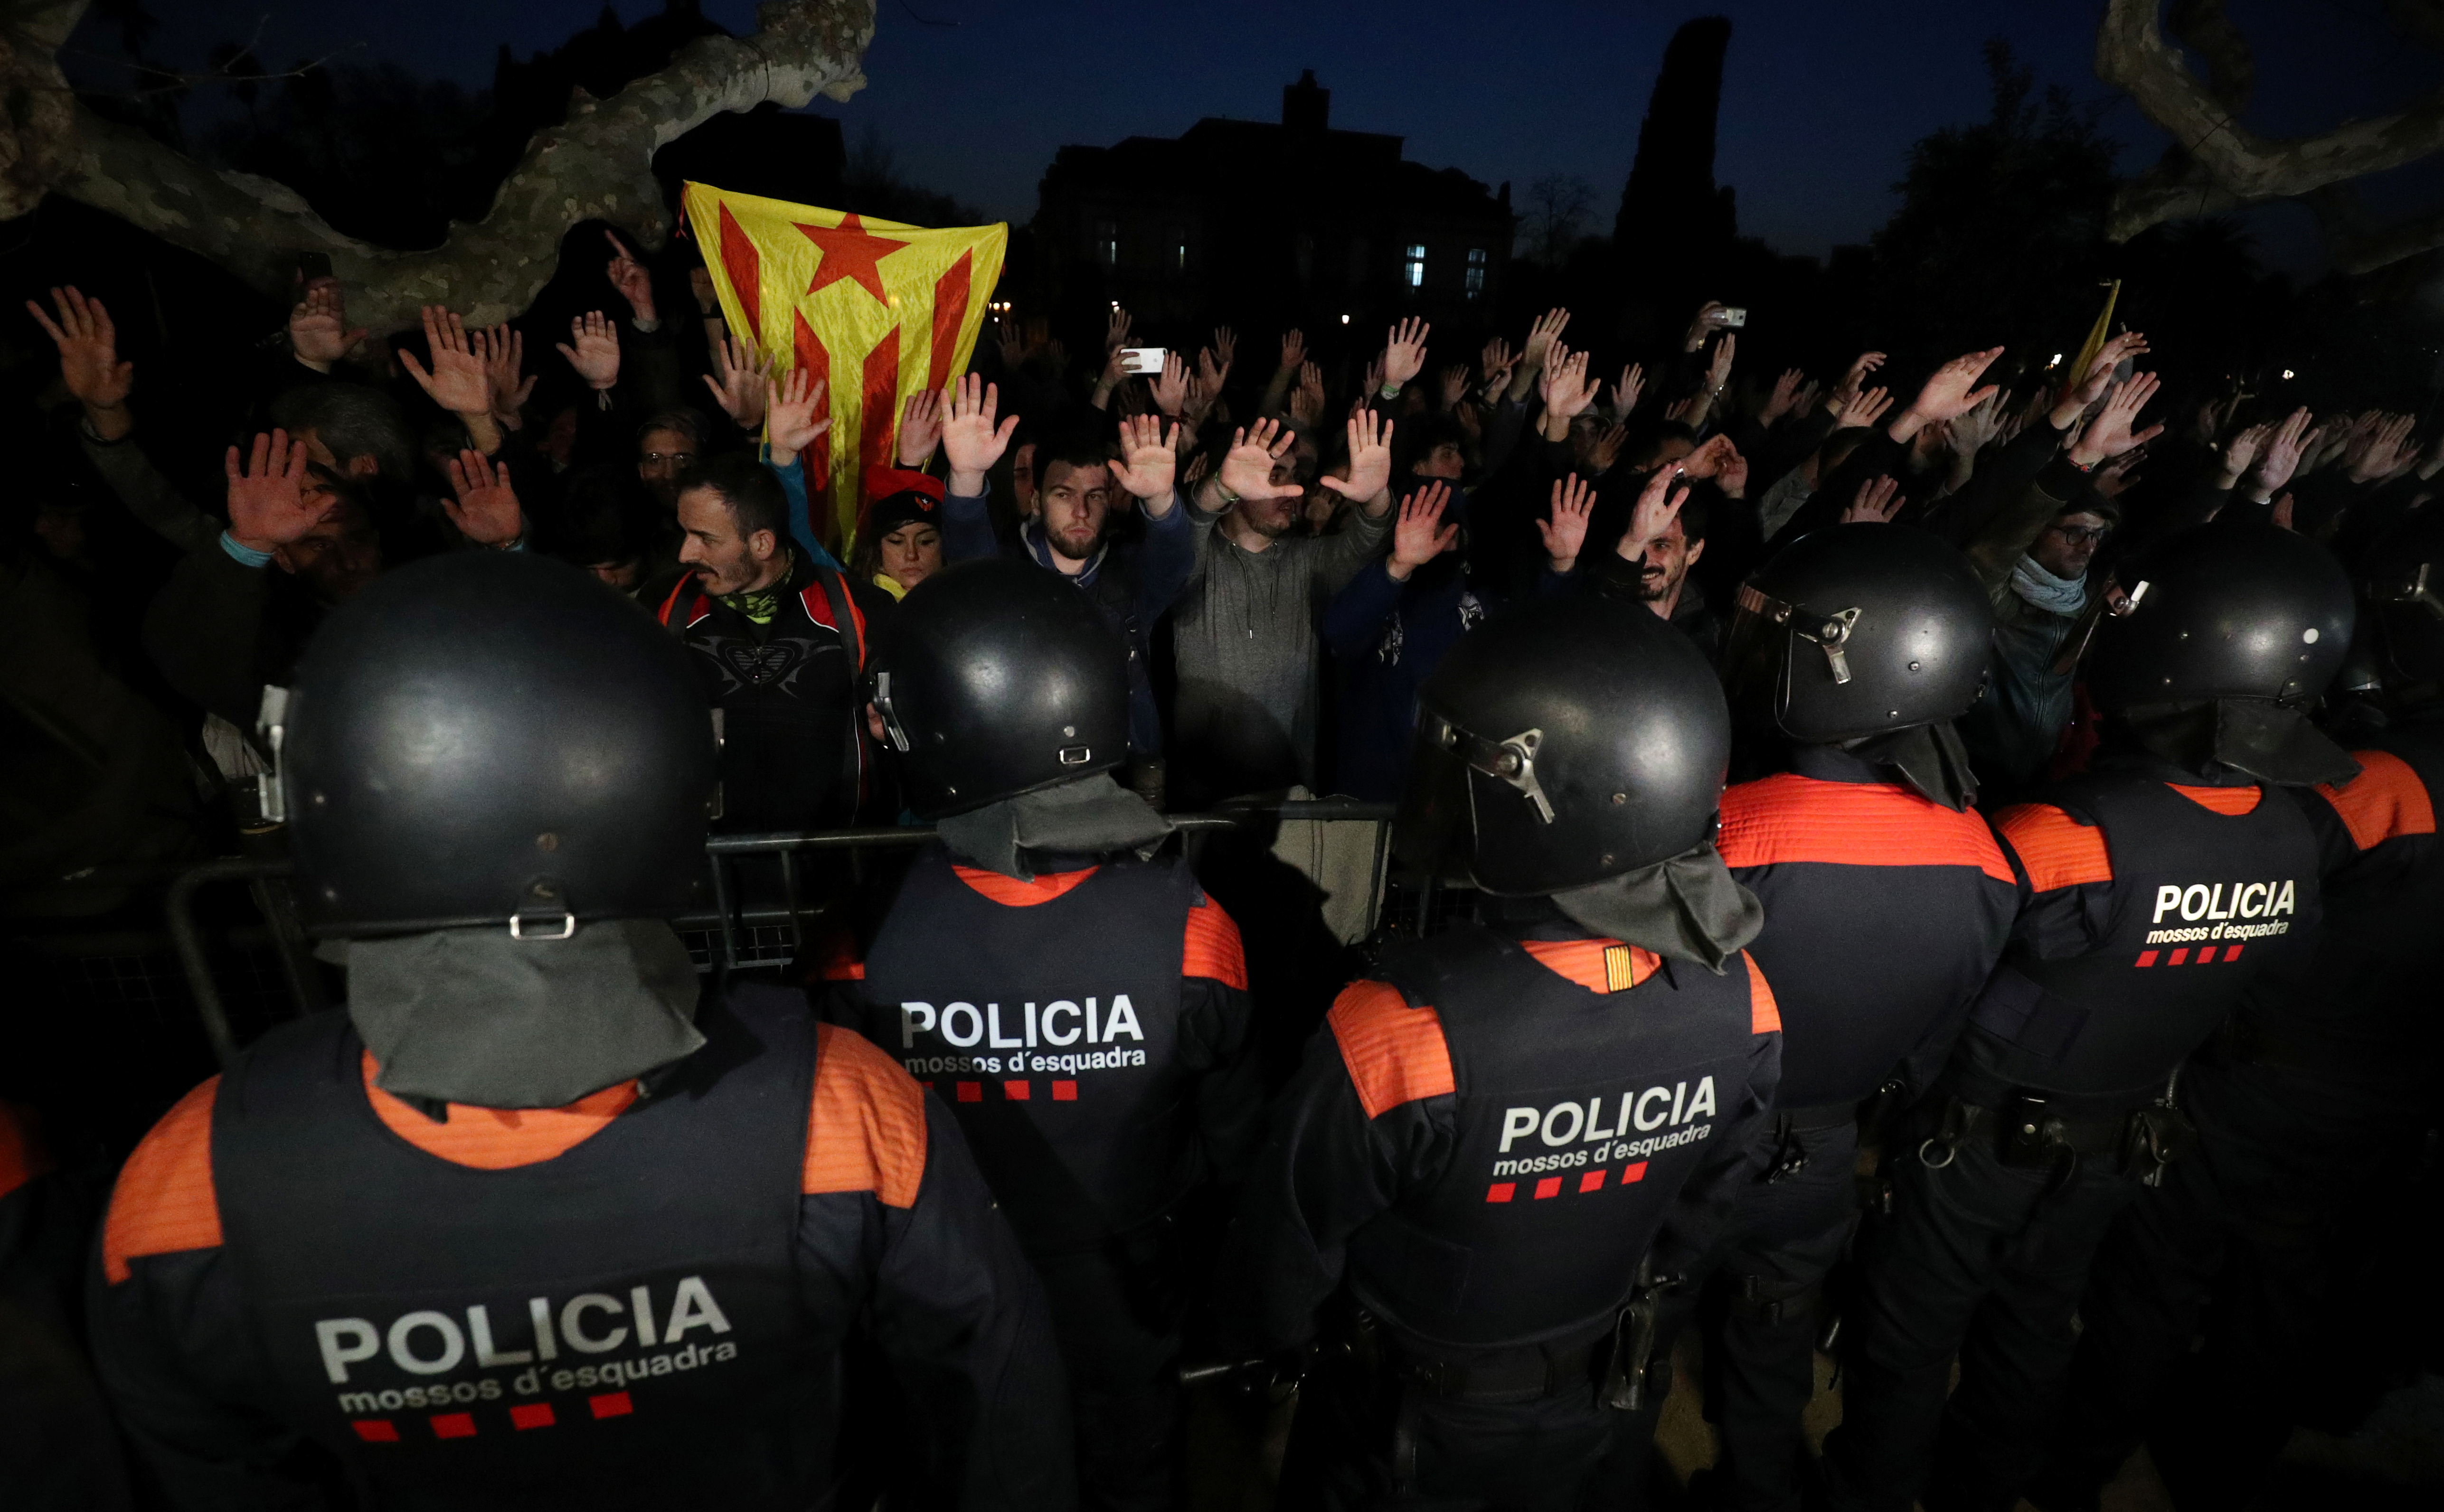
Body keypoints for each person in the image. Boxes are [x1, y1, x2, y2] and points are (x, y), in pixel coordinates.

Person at [85, 551, 1073, 1510]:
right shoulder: (842, 1109)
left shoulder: (188, 1183)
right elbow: (992, 1392)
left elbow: (215, 1468)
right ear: (664, 781)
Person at [1816, 522, 2358, 1512]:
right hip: (2118, 1141)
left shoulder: (2066, 831)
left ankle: (1869, 1491)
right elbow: (2270, 974)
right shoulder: (2294, 836)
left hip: (1973, 1143)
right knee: (2031, 1327)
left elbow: (1947, 975)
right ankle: (1987, 1488)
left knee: (1907, 1331)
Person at [1218, 593, 1782, 1510]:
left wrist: (1275, 1348)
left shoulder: (1400, 1027)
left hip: (1406, 1420)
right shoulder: (1744, 1001)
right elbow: (1707, 1205)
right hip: (1601, 1399)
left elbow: (1291, 1244)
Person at [2028, 511, 2444, 1512]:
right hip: (2392, 1092)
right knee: (2287, 1279)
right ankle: (2221, 1463)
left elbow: (2247, 861)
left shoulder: (2380, 781)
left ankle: (2078, 1460)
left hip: (2261, 1075)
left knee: (2158, 1272)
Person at [825, 560, 1260, 1510]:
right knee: (1132, 1462)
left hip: (944, 1288)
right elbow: (1232, 1136)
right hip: (1125, 1276)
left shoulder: (864, 935)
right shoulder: (1190, 926)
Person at [1700, 525, 2018, 1512]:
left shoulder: (1720, 824)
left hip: (1687, 1141)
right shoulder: (1987, 857)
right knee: (1773, 1328)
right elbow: (1935, 1040)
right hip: (1826, 1148)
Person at [936, 377, 1198, 781]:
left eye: (1094, 496)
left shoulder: (1125, 580)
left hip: (1123, 785)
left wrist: (1161, 501)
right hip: (1026, 779)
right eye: (1063, 494)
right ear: (1037, 500)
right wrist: (967, 478)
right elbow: (968, 557)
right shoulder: (1007, 576)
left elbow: (1173, 559)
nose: (1081, 511)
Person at [654, 452, 890, 832]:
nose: (686, 553)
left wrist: (894, 734)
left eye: (705, 539)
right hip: (712, 874)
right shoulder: (663, 607)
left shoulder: (859, 609)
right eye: (685, 533)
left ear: (762, 543)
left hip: (842, 870)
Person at [1169, 413, 1396, 802]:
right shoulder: (1199, 559)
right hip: (1204, 801)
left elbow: (1365, 542)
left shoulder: (1307, 561)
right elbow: (1182, 528)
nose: (1293, 490)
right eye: (1275, 475)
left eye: (1296, 477)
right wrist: (1219, 487)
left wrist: (1376, 496)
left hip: (1290, 799)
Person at [852, 468, 946, 600]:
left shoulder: (965, 600)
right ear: (879, 546)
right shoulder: (857, 604)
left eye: (926, 541)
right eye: (896, 541)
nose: (911, 555)